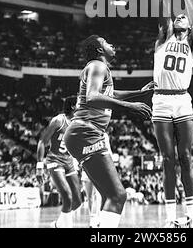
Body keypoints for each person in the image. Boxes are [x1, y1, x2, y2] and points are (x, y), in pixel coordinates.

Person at [64, 35, 153, 229]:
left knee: (107, 196)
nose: (112, 44)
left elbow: (109, 94)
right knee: (118, 195)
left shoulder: (99, 69)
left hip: (81, 133)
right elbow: (93, 97)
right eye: (106, 42)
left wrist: (138, 92)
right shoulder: (98, 65)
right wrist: (130, 106)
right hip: (86, 131)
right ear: (99, 50)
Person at [151, 0, 193, 228]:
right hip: (161, 100)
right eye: (177, 16)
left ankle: (191, 215)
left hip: (182, 100)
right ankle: (171, 218)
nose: (179, 16)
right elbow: (161, 0)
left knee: (186, 157)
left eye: (183, 17)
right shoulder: (163, 36)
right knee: (168, 159)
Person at [36, 96, 82, 228]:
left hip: (68, 161)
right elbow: (41, 142)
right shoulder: (58, 120)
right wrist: (39, 167)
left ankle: (57, 224)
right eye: (80, 103)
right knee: (67, 196)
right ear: (73, 106)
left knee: (77, 201)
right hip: (55, 160)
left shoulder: (77, 122)